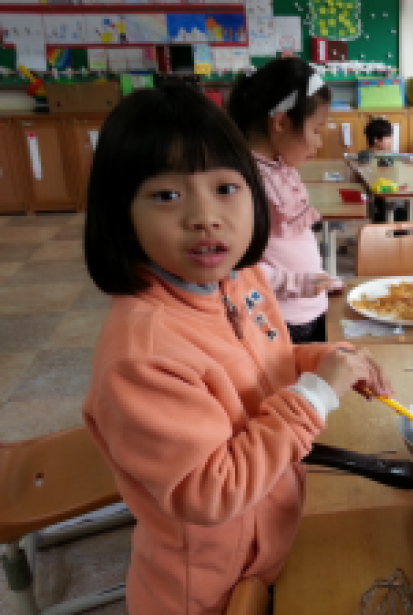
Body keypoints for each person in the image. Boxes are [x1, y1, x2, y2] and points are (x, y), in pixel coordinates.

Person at [82, 83, 394, 615]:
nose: (205, 216)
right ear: (122, 217)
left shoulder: (239, 277)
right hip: (205, 590)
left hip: (269, 542)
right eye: (167, 196)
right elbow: (212, 492)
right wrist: (315, 396)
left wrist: (321, 360)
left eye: (226, 188)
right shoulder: (142, 356)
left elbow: (266, 364)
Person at [227, 57, 342, 344]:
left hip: (306, 307)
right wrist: (295, 283)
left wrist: (318, 278)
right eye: (316, 130)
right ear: (280, 122)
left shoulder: (278, 169)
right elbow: (235, 267)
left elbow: (289, 245)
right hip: (281, 319)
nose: (319, 142)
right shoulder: (245, 183)